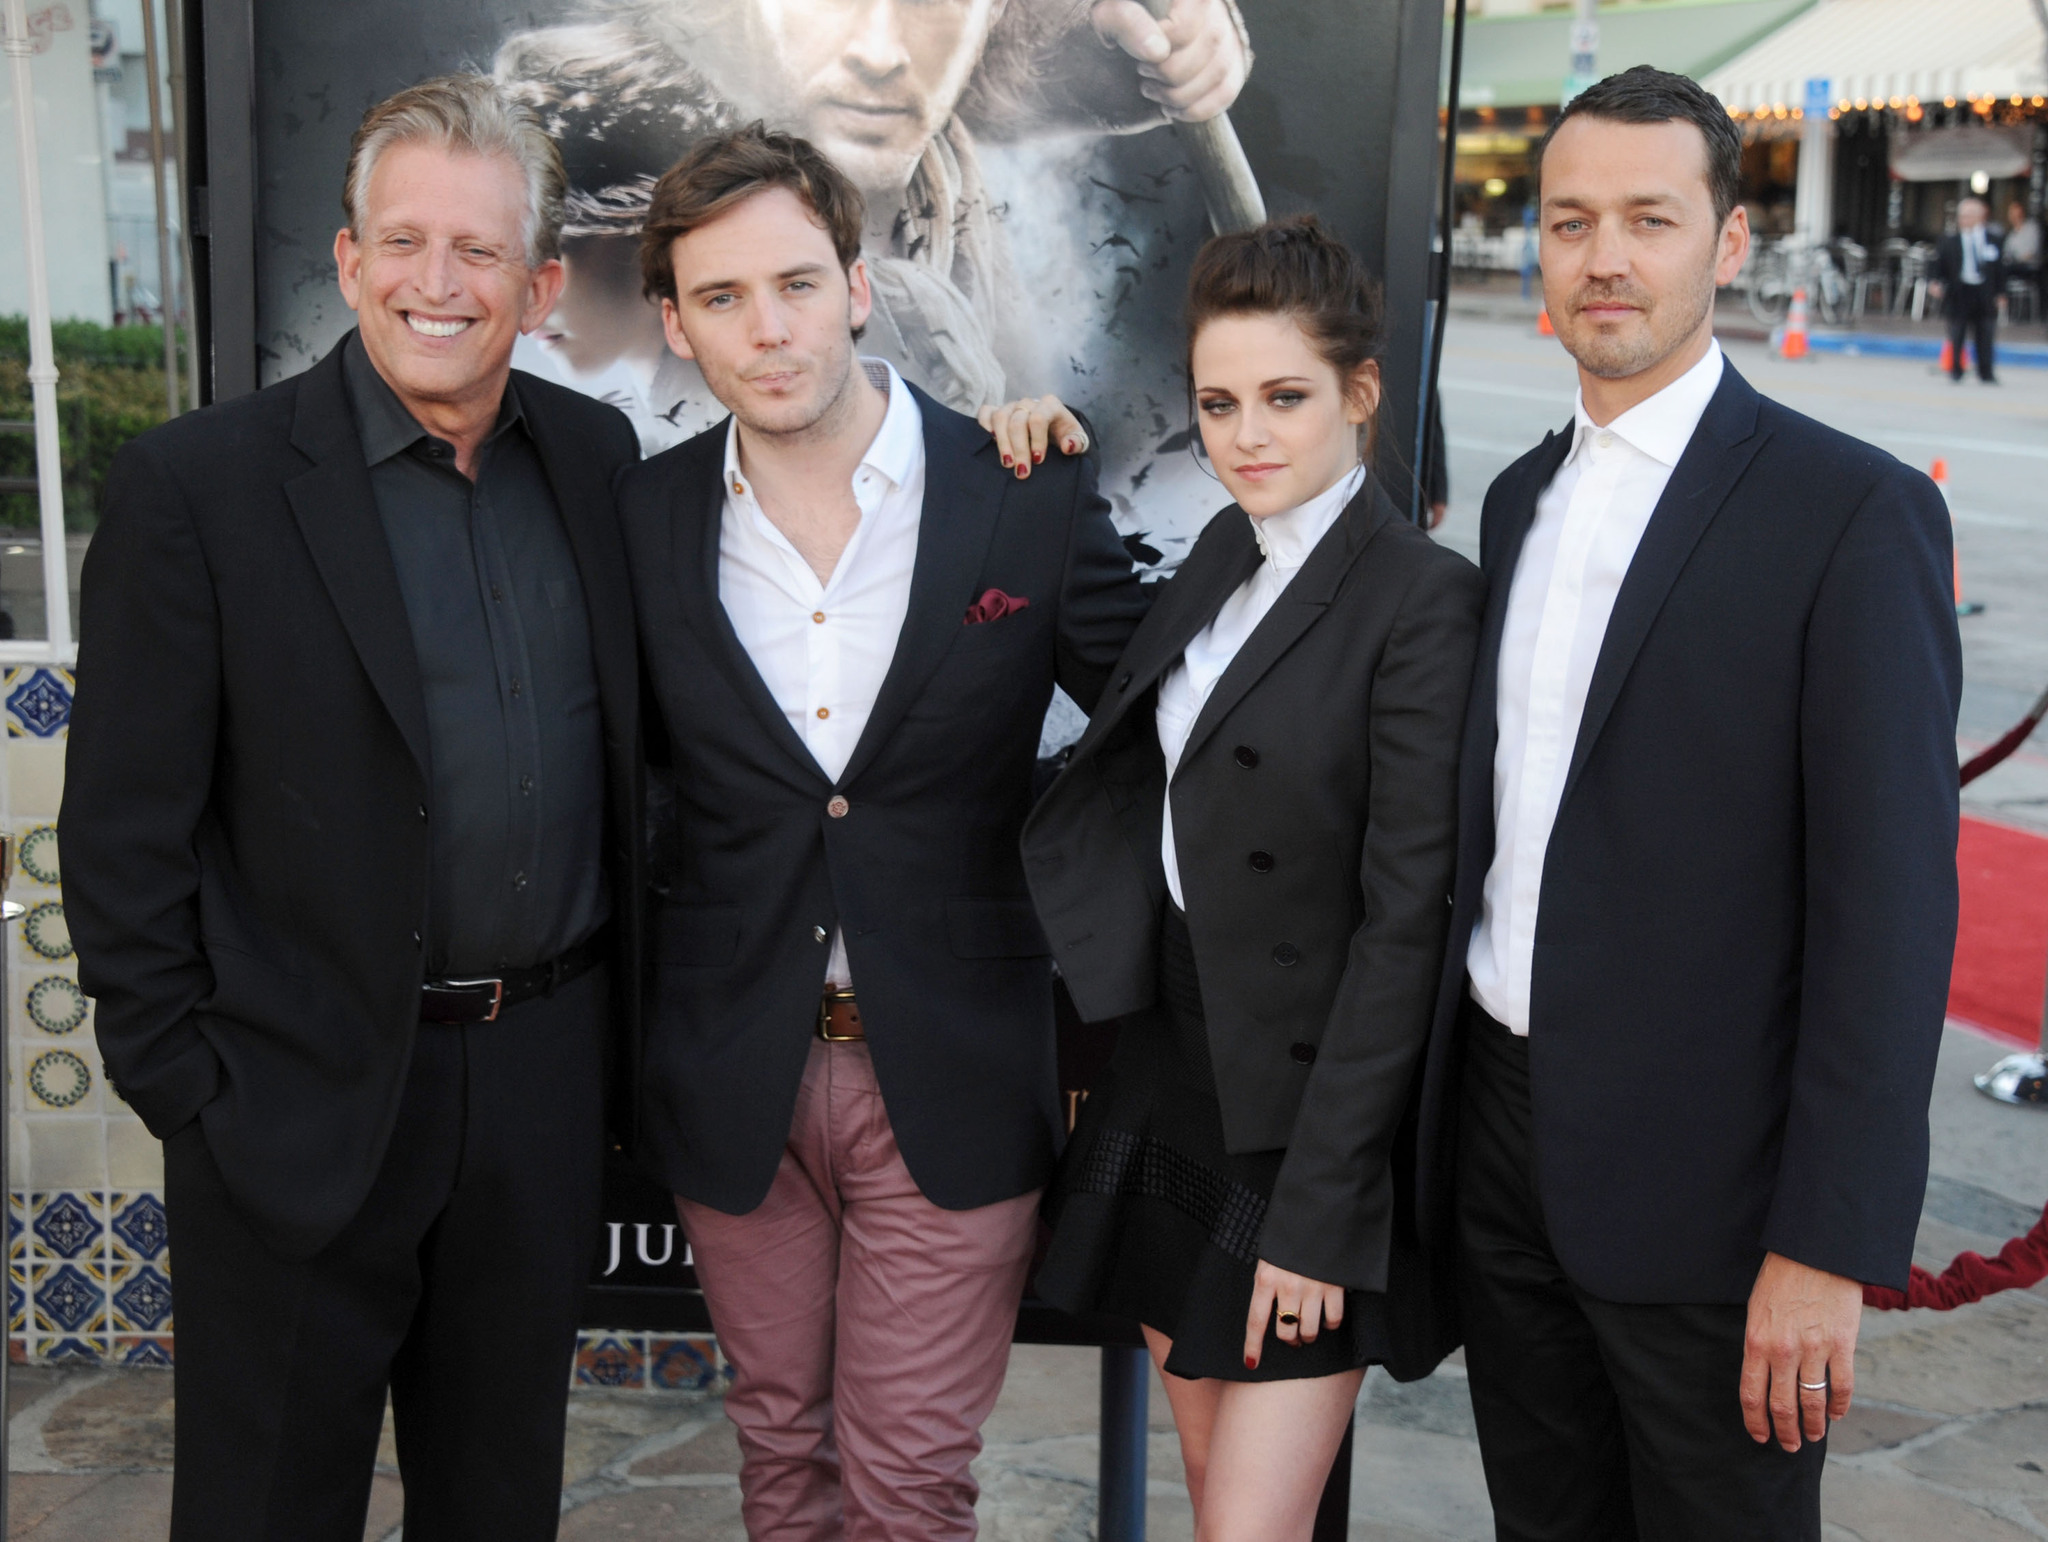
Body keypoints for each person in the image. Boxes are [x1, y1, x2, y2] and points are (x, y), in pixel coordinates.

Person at [60, 75, 644, 1541]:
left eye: (476, 251)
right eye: (402, 242)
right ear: (347, 261)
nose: (436, 284)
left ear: (543, 283)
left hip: (538, 1086)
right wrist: (192, 1093)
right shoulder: (198, 487)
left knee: (499, 1503)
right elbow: (123, 834)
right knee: (265, 1509)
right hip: (293, 1097)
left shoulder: (599, 465)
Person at [1412, 66, 1961, 1539]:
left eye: (1650, 218)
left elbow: (1891, 912)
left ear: (1727, 245)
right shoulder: (1522, 499)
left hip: (1718, 1193)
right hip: (1502, 1149)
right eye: (1572, 218)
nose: (1605, 257)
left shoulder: (1850, 512)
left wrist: (1827, 1243)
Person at [614, 124, 1150, 1540]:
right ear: (674, 323)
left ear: (858, 285)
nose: (767, 327)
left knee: (909, 1481)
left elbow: (1180, 715)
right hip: (738, 1073)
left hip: (955, 1068)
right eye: (721, 298)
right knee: (780, 1455)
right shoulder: (642, 522)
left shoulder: (1020, 494)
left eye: (796, 283)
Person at [1023, 216, 1481, 1540]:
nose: (1246, 434)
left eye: (1284, 397)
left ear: (1362, 391)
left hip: (1307, 1128)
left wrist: (1326, 1209)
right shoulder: (1228, 553)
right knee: (1218, 1495)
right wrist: (1033, 464)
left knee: (1251, 1530)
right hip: (1174, 1079)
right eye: (1219, 402)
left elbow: (1406, 927)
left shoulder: (1421, 601)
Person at [496, 0, 1252, 400]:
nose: (880, 51)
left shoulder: (936, 173)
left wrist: (1188, 44)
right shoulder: (609, 168)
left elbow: (1011, 67)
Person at [1932, 195, 2004, 383]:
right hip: (1960, 291)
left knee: (1986, 333)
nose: (1966, 219)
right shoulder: (1949, 241)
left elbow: (2000, 269)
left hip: (1984, 292)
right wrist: (1935, 282)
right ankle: (1956, 370)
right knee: (1957, 333)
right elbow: (1937, 266)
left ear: (1981, 216)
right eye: (1963, 215)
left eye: (1970, 215)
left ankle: (1986, 372)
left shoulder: (1993, 240)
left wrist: (2001, 292)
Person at [2003, 198, 2041, 320]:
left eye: (2016, 213)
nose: (2014, 216)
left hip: (2030, 267)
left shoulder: (2032, 229)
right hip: (2013, 267)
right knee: (1999, 272)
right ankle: (2004, 313)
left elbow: (2031, 252)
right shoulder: (2011, 234)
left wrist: (2017, 260)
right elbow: (2007, 253)